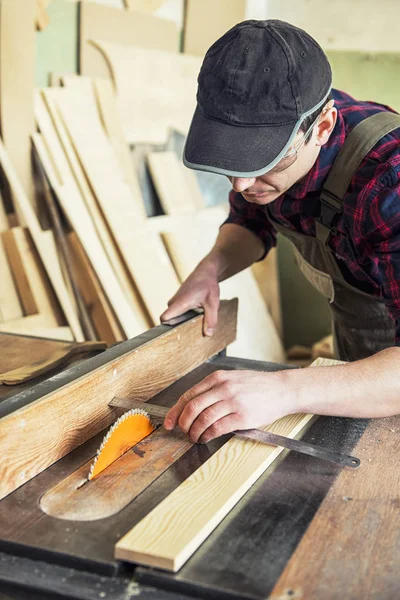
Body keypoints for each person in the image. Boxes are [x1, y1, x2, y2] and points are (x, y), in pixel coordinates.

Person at [160, 19, 400, 444]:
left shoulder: (389, 182)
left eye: (262, 161)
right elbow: (251, 221)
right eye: (233, 162)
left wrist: (286, 389)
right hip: (364, 380)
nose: (241, 184)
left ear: (322, 127)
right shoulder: (276, 155)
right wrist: (210, 269)